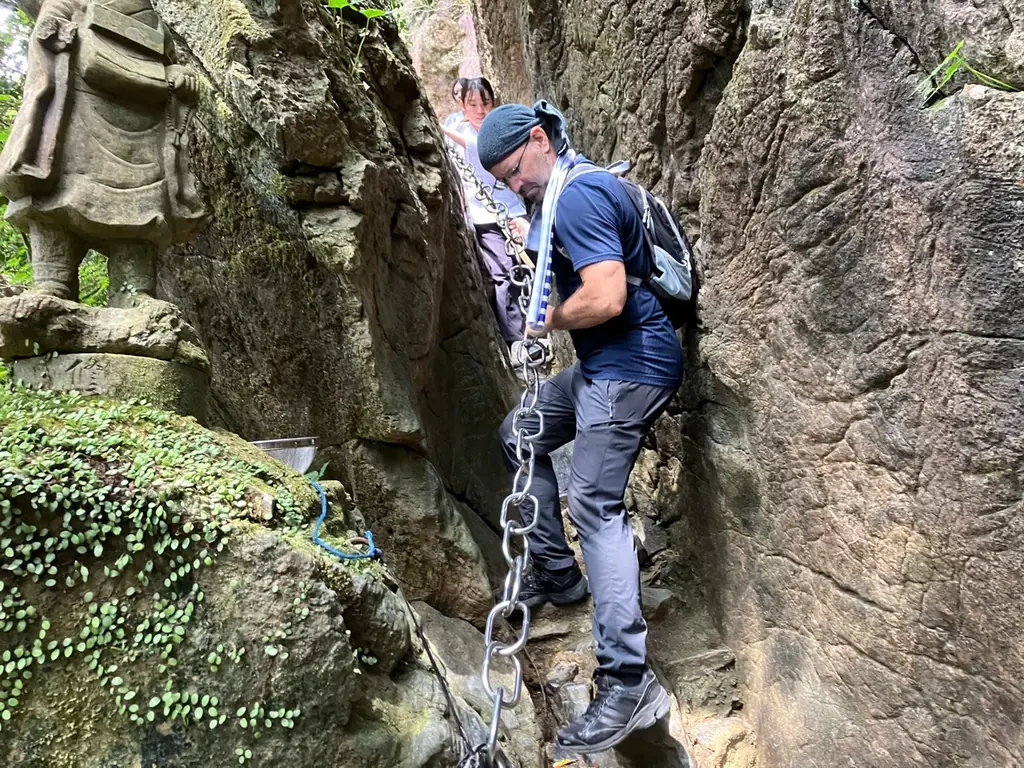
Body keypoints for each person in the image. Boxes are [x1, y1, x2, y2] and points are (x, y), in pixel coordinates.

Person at [476, 102, 684, 754]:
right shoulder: (558, 196)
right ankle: (559, 576)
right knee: (520, 434)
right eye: (502, 181)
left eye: (515, 171)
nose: (515, 186)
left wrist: (547, 322)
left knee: (592, 499)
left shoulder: (580, 195)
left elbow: (608, 296)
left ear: (539, 140)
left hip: (634, 365)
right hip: (600, 368)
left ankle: (629, 680)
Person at [442, 77, 530, 347]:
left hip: (514, 211)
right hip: (484, 218)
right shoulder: (456, 129)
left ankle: (534, 330)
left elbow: (479, 147)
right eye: (473, 104)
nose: (480, 110)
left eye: (486, 103)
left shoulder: (497, 130)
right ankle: (516, 338)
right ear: (462, 105)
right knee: (505, 273)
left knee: (526, 267)